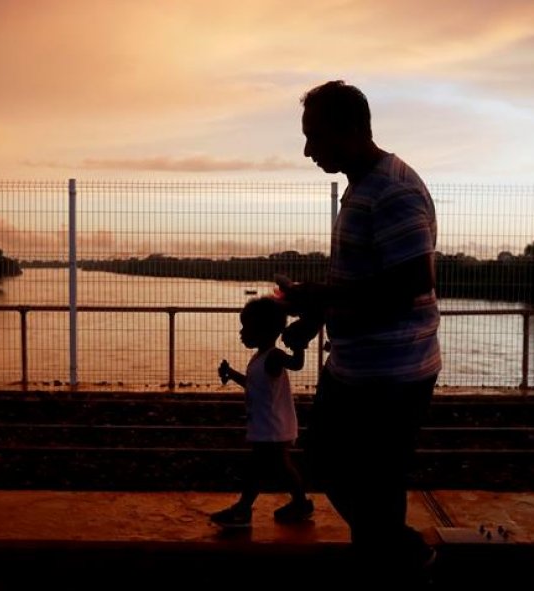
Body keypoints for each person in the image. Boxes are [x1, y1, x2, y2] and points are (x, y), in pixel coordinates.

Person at [277, 80, 441, 584]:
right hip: (357, 365)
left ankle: (398, 560)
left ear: (350, 130)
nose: (308, 150)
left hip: (393, 373)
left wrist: (319, 299)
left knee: (369, 481)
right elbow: (365, 278)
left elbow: (412, 284)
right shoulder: (364, 186)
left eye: (315, 137)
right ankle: (389, 557)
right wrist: (317, 318)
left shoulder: (394, 191)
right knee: (341, 470)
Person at [210, 296, 314, 528]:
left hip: (272, 427)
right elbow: (253, 384)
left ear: (263, 331)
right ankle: (299, 503)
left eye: (246, 327)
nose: (241, 332)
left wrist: (299, 344)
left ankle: (244, 509)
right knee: (280, 467)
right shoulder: (260, 358)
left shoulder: (273, 356)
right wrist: (232, 374)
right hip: (266, 425)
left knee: (260, 469)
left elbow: (296, 364)